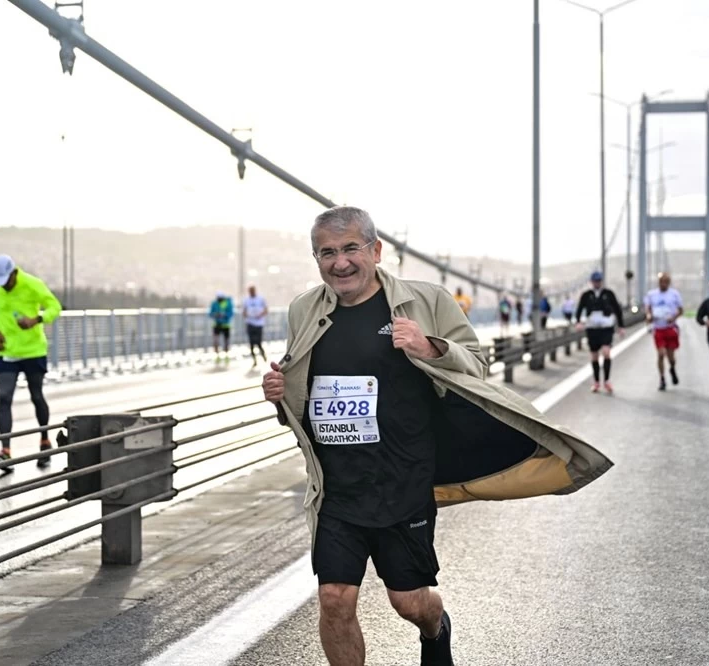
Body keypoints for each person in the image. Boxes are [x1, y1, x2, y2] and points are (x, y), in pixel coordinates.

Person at [261, 206, 612, 666]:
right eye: (327, 252)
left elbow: (477, 364)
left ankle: (436, 628)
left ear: (376, 250)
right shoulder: (303, 311)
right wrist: (280, 397)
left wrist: (431, 347)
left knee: (408, 602)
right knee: (334, 596)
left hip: (403, 478)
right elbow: (306, 392)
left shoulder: (426, 301)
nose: (340, 262)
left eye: (350, 248)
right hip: (337, 487)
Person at [0, 255, 62, 470]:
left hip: (33, 350)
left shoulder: (33, 284)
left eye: (5, 280)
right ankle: (5, 452)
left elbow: (54, 307)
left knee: (36, 396)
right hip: (8, 352)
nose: (3, 285)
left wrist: (37, 319)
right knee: (4, 397)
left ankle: (45, 441)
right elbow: (0, 315)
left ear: (13, 273)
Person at [574, 271, 625, 394]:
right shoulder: (586, 295)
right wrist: (578, 322)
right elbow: (579, 309)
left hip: (606, 327)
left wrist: (621, 326)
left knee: (606, 352)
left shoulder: (609, 293)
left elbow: (618, 309)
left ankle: (607, 380)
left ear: (602, 281)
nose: (597, 283)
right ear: (592, 282)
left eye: (599, 281)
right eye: (595, 281)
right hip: (592, 327)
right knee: (594, 355)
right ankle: (596, 381)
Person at [644, 272, 684, 391]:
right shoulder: (652, 294)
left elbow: (681, 310)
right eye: (661, 281)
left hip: (670, 327)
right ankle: (662, 379)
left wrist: (673, 317)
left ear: (669, 283)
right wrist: (649, 316)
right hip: (658, 328)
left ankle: (672, 368)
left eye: (666, 282)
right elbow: (648, 309)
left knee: (671, 357)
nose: (663, 284)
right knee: (661, 354)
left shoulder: (674, 294)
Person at [243, 284, 268, 368]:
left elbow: (266, 310)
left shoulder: (261, 299)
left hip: (259, 324)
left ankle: (263, 354)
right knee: (251, 343)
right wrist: (248, 315)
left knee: (258, 342)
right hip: (250, 323)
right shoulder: (246, 300)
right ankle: (254, 360)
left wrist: (260, 315)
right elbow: (244, 311)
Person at [209, 292, 234, 364]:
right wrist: (215, 315)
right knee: (216, 340)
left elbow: (231, 313)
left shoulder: (228, 303)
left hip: (226, 325)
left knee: (226, 341)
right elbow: (210, 313)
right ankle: (217, 355)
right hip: (217, 325)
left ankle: (226, 355)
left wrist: (224, 315)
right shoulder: (214, 303)